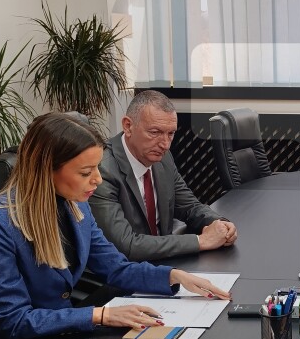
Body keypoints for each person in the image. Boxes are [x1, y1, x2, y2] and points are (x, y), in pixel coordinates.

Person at [0, 112, 231, 339]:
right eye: (85, 172)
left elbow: (115, 267)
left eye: (97, 167)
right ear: (46, 170)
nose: (98, 179)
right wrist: (101, 314)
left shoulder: (75, 206)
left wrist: (174, 277)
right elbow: (12, 320)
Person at [91, 90, 237, 260]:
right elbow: (125, 245)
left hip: (165, 261)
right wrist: (200, 241)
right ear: (128, 126)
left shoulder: (162, 158)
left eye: (171, 134)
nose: (165, 144)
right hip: (126, 268)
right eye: (155, 132)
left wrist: (219, 224)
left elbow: (190, 206)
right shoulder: (101, 170)